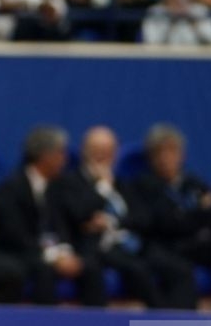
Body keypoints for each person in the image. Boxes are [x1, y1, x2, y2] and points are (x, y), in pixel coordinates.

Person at [56, 126, 197, 309]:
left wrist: (112, 221)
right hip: (99, 247)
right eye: (96, 151)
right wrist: (102, 189)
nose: (102, 157)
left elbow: (143, 218)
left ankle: (185, 323)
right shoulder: (70, 183)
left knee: (180, 269)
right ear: (85, 152)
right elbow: (77, 214)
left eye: (107, 152)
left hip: (133, 243)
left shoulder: (123, 184)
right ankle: (163, 321)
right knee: (138, 270)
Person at [126, 124, 211, 312]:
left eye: (172, 151)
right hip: (169, 247)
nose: (166, 158)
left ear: (182, 155)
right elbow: (163, 223)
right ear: (151, 157)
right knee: (182, 270)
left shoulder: (191, 181)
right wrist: (201, 214)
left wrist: (188, 217)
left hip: (197, 244)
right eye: (160, 153)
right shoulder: (144, 185)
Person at [0, 126, 107, 306]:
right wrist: (52, 256)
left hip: (53, 251)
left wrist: (64, 251)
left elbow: (68, 220)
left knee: (90, 268)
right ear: (44, 155)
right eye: (60, 153)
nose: (64, 159)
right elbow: (14, 235)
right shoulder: (11, 188)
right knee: (44, 271)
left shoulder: (58, 185)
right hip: (20, 253)